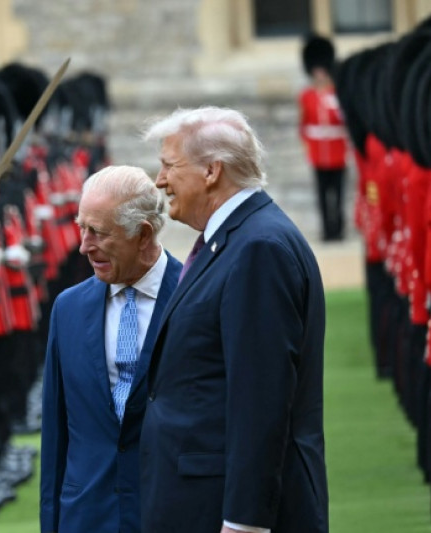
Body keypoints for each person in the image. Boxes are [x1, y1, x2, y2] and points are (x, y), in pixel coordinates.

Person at [140, 107, 327, 533]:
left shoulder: (257, 248)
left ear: (211, 171)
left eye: (169, 165)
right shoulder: (235, 241)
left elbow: (260, 399)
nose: (159, 180)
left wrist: (244, 522)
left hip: (232, 511)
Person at [40, 165, 183, 533]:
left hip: (171, 511)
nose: (84, 245)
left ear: (143, 234)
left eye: (98, 233)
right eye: (81, 227)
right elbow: (56, 435)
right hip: (85, 516)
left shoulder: (196, 297)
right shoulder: (67, 309)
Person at [299, 34, 348, 242]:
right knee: (322, 196)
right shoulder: (306, 96)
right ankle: (327, 230)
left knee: (338, 194)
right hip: (319, 154)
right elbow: (304, 125)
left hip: (337, 152)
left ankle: (338, 229)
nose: (319, 74)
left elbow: (343, 121)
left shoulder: (336, 93)